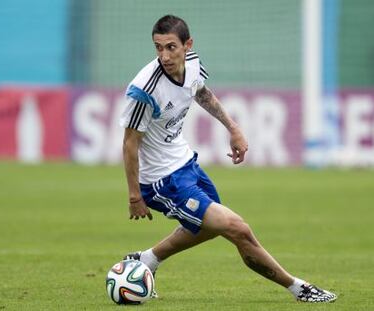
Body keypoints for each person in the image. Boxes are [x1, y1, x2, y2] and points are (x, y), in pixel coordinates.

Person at [119, 15, 337, 303]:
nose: (164, 56)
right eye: (158, 48)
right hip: (161, 181)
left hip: (186, 163)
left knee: (211, 228)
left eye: (171, 47)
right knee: (237, 229)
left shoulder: (193, 63)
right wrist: (135, 195)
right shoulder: (144, 89)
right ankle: (299, 288)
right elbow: (129, 143)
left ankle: (147, 259)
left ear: (188, 45)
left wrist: (233, 128)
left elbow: (201, 93)